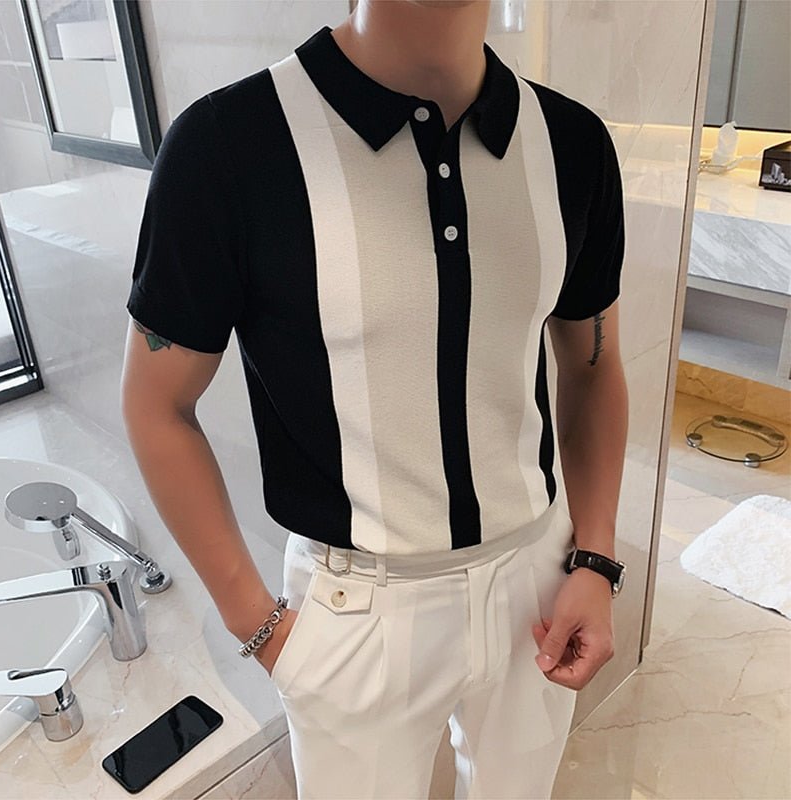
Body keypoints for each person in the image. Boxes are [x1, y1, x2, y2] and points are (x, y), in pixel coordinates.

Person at [120, 0, 629, 797]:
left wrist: (594, 560)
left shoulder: (572, 144)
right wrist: (260, 626)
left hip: (541, 577)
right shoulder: (228, 146)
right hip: (355, 604)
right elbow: (156, 405)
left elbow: (593, 366)